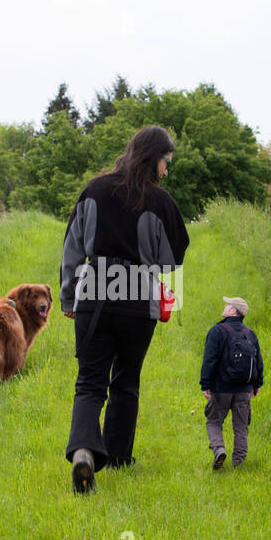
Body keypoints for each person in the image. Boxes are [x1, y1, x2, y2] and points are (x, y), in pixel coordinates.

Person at [60, 125, 190, 494]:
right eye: (167, 162)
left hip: (94, 299)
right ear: (155, 158)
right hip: (137, 301)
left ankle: (84, 452)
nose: (167, 170)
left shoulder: (95, 189)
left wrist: (69, 298)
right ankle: (117, 458)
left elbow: (72, 249)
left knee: (89, 383)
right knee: (126, 382)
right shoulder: (161, 202)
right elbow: (171, 261)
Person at [199, 296, 263, 469]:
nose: (225, 306)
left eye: (228, 305)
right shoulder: (250, 333)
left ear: (234, 311)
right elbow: (258, 361)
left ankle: (219, 450)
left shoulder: (218, 331)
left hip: (222, 388)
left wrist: (205, 384)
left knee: (213, 421)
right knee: (241, 426)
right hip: (244, 389)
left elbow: (210, 360)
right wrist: (257, 385)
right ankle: (239, 463)